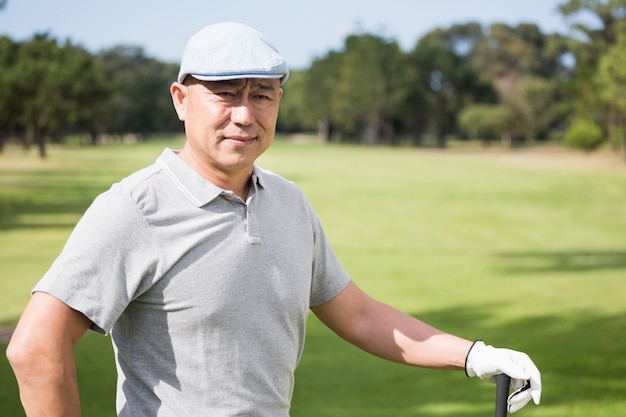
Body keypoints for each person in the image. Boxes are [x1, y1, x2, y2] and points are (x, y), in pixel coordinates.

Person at [6, 22, 541, 417]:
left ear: (279, 102)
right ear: (181, 99)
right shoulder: (134, 209)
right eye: (224, 93)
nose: (245, 113)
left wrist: (473, 356)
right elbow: (35, 347)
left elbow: (354, 313)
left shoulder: (287, 202)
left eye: (261, 95)